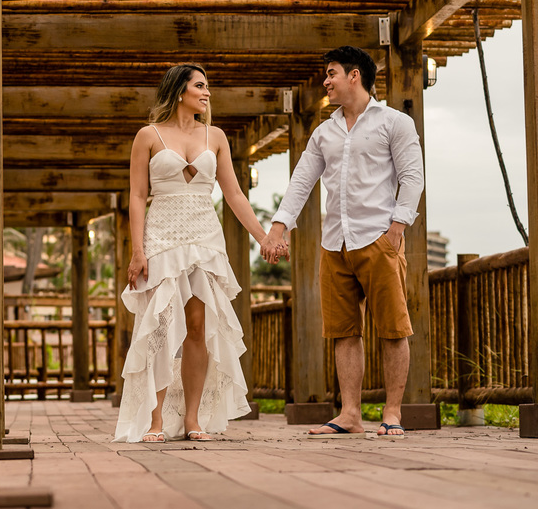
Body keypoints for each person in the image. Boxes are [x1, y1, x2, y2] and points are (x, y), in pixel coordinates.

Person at [262, 46, 424, 439]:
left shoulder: (394, 123)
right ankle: (350, 413)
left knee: (392, 329)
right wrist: (278, 229)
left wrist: (397, 229)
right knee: (343, 331)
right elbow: (302, 181)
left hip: (379, 239)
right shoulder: (324, 132)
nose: (326, 81)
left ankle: (392, 412)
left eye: (331, 73)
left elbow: (413, 176)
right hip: (334, 243)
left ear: (354, 75)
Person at [113, 63, 268, 443]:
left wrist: (263, 237)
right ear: (179, 90)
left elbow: (233, 195)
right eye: (200, 85)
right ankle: (155, 421)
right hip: (161, 235)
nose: (207, 92)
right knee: (161, 329)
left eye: (207, 86)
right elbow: (136, 196)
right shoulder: (147, 136)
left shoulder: (215, 136)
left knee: (198, 327)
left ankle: (193, 419)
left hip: (203, 236)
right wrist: (137, 251)